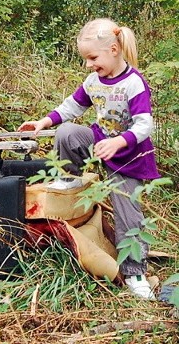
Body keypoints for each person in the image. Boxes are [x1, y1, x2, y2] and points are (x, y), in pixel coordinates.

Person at [18, 18, 160, 300]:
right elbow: (73, 106)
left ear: (114, 49)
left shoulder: (134, 83)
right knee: (68, 132)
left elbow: (145, 125)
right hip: (99, 141)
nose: (88, 64)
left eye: (93, 57)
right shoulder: (93, 81)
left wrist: (119, 141)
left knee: (128, 214)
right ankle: (68, 183)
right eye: (85, 59)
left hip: (129, 156)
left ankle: (135, 272)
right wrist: (43, 122)